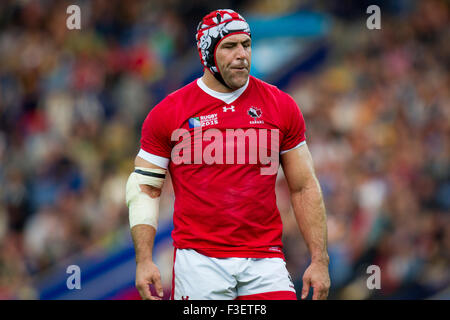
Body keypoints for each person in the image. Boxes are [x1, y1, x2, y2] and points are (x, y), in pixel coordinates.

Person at [126, 9, 330, 300]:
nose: (242, 55)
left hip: (265, 260)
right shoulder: (169, 112)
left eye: (246, 45)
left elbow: (303, 185)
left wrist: (319, 260)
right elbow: (144, 188)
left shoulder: (280, 105)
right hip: (199, 263)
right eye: (230, 46)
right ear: (206, 54)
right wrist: (144, 260)